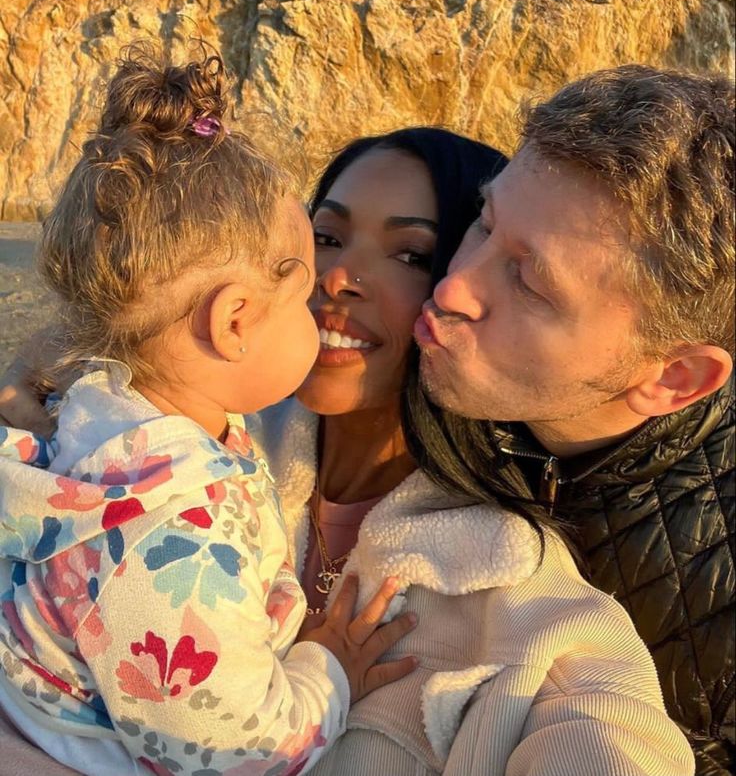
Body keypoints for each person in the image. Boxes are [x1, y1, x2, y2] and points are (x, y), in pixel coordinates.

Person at [0, 124, 697, 775]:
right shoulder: (144, 448)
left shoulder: (502, 571)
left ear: (459, 287)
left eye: (409, 254)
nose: (336, 277)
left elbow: (605, 720)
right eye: (324, 238)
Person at [0, 48, 417, 776]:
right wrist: (329, 670)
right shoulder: (168, 532)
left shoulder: (96, 416)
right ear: (234, 323)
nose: (326, 301)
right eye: (304, 290)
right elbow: (243, 754)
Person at [413, 67, 735, 776]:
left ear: (672, 377)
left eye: (529, 280)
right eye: (484, 220)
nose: (453, 285)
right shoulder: (423, 372)